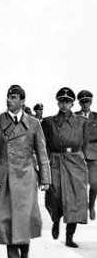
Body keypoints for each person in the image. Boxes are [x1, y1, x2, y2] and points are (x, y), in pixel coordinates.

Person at [0, 85, 51, 258]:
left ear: (22, 101)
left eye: (13, 97)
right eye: (8, 97)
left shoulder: (34, 124)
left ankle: (25, 243)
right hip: (4, 175)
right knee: (6, 216)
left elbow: (42, 152)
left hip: (27, 175)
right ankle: (12, 256)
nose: (9, 100)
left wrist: (45, 179)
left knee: (24, 215)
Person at [42, 87, 88, 248]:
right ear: (57, 103)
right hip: (55, 160)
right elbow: (44, 145)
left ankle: (70, 235)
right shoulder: (48, 122)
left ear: (72, 103)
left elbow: (86, 143)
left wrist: (81, 160)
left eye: (68, 102)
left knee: (75, 199)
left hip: (75, 161)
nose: (64, 105)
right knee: (55, 195)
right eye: (62, 101)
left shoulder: (82, 121)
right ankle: (56, 219)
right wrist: (45, 164)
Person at [75, 90, 97, 220]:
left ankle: (91, 205)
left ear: (91, 102)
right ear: (79, 102)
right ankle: (82, 207)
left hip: (94, 154)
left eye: (87, 101)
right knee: (79, 185)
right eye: (82, 101)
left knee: (95, 184)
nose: (85, 104)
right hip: (78, 154)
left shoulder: (96, 116)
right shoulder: (74, 117)